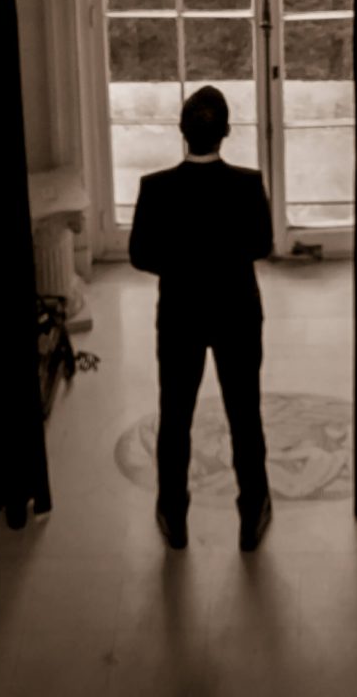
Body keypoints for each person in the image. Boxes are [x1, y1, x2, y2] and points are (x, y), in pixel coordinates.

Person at [128, 83, 275, 551]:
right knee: (244, 413)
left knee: (175, 415)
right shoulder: (248, 185)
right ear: (227, 132)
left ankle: (174, 512)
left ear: (181, 131)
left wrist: (181, 264)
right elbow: (261, 246)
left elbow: (139, 255)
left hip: (179, 314)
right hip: (237, 312)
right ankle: (253, 511)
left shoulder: (155, 188)